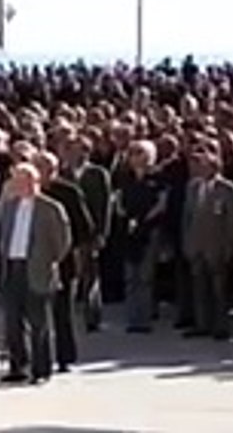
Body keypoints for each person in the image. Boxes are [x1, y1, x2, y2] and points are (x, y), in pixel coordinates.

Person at [0, 162, 71, 385]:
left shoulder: (51, 208)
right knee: (12, 322)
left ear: (35, 182)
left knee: (39, 323)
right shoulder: (9, 206)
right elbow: (3, 234)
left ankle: (41, 369)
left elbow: (63, 241)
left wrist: (49, 260)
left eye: (25, 180)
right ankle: (18, 365)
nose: (20, 185)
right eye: (17, 180)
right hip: (13, 266)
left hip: (37, 269)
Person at [34, 150, 93, 371]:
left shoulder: (68, 193)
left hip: (64, 259)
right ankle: (40, 357)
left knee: (62, 311)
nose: (42, 173)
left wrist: (71, 251)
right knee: (37, 312)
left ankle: (65, 356)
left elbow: (84, 228)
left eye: (46, 168)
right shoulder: (27, 192)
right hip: (35, 260)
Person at [181, 142, 233, 341]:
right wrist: (187, 243)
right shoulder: (192, 187)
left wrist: (230, 246)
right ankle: (201, 324)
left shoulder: (228, 189)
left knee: (219, 289)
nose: (198, 168)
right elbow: (187, 218)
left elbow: (232, 221)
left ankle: (221, 326)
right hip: (196, 244)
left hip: (217, 245)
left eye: (203, 164)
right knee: (199, 287)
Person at [60, 134, 111, 333]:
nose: (73, 154)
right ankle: (70, 314)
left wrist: (101, 233)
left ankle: (93, 316)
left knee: (91, 275)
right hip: (69, 233)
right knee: (72, 275)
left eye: (78, 149)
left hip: (90, 232)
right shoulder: (62, 174)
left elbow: (105, 206)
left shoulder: (98, 174)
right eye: (69, 149)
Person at [115, 140, 165, 333]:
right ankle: (132, 319)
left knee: (145, 277)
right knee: (130, 277)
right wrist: (126, 217)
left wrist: (144, 220)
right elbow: (118, 200)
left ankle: (144, 319)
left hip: (149, 230)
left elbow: (162, 203)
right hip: (129, 230)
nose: (136, 157)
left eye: (140, 152)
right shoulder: (124, 177)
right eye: (133, 153)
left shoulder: (158, 177)